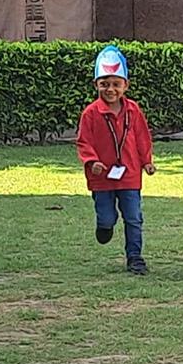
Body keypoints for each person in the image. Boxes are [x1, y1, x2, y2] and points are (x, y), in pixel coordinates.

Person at [76, 45, 156, 275]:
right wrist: (92, 161)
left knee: (134, 218)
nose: (110, 89)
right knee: (107, 217)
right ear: (96, 85)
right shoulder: (91, 113)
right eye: (104, 84)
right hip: (102, 178)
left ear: (125, 85)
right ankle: (104, 225)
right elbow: (83, 141)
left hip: (129, 174)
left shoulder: (133, 110)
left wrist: (146, 161)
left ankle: (135, 257)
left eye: (115, 84)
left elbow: (142, 137)